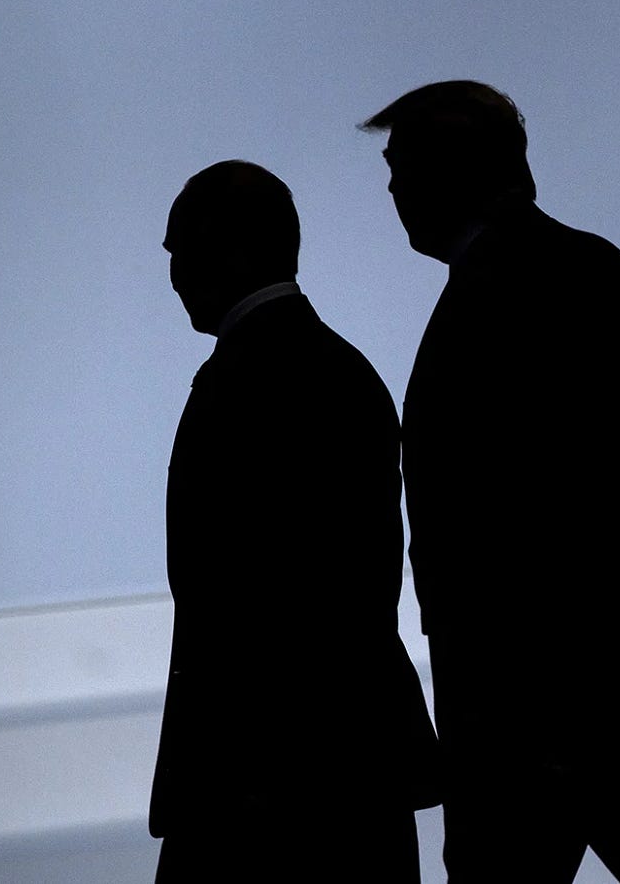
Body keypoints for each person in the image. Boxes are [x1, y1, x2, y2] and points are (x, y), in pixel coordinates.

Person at [363, 82, 620, 883]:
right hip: (605, 681)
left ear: (451, 172)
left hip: (556, 696)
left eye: (400, 165)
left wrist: (524, 709)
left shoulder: (501, 292)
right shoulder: (583, 269)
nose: (392, 189)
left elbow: (547, 513)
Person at [148, 160, 438, 882]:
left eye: (183, 250)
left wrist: (249, 775)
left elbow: (264, 594)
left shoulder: (250, 378)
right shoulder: (333, 367)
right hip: (338, 757)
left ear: (234, 250)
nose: (175, 275)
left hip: (269, 769)